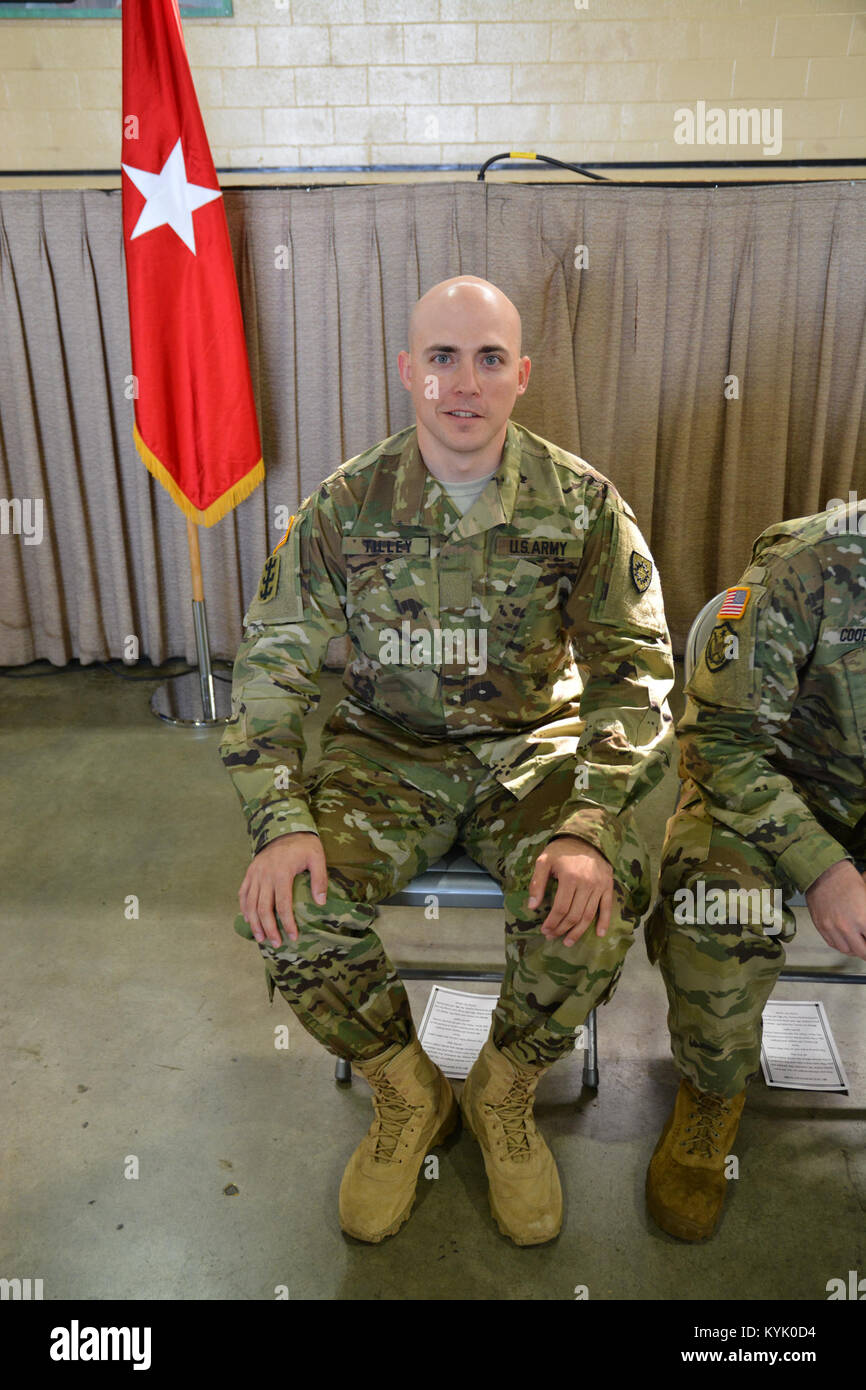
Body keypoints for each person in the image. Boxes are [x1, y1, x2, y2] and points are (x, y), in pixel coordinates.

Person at [220, 275, 674, 1245]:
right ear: (405, 373)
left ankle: (503, 1089)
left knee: (605, 888)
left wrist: (591, 823)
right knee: (288, 908)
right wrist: (281, 819)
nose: (462, 383)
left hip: (529, 750)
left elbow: (633, 675)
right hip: (389, 750)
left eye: (487, 358)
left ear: (521, 376)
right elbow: (269, 666)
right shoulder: (344, 508)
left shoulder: (581, 504)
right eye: (440, 358)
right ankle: (406, 1086)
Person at [645, 501, 866, 1242]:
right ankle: (711, 1092)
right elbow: (720, 744)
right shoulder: (811, 565)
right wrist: (824, 868)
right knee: (719, 908)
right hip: (774, 789)